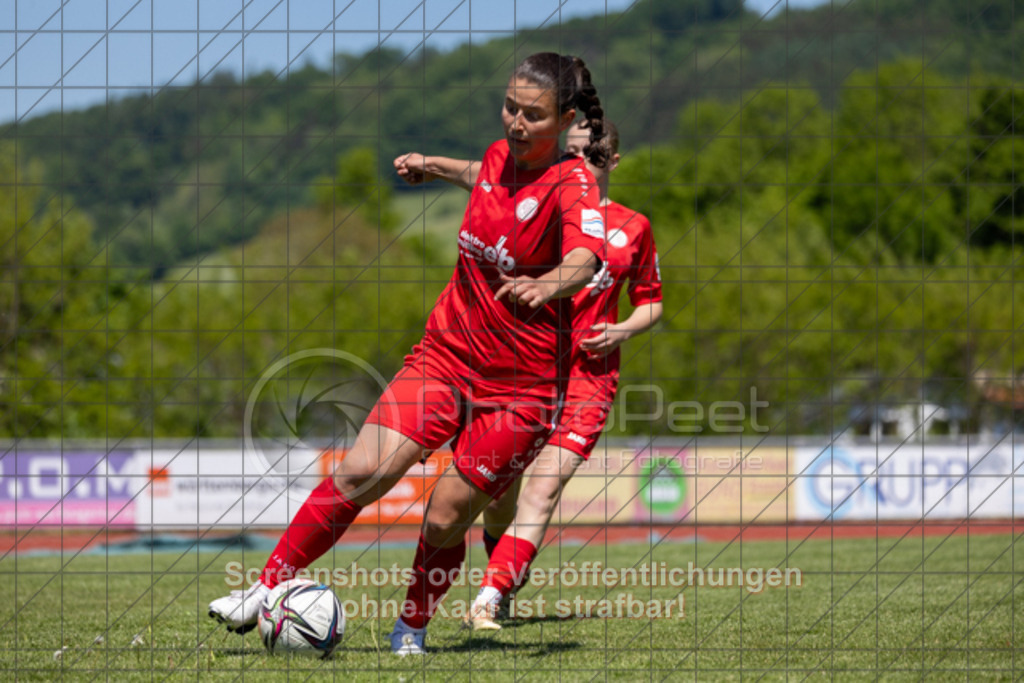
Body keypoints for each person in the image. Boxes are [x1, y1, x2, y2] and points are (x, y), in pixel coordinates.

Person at [208, 52, 610, 657]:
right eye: (509, 107)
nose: (516, 123)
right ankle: (265, 587)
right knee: (360, 471)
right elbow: (485, 175)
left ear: (567, 120)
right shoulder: (501, 156)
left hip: (521, 391)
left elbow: (586, 257)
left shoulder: (573, 184)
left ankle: (411, 628)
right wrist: (432, 165)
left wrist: (548, 283)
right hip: (445, 356)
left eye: (533, 115)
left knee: (446, 513)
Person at [467, 120, 663, 630]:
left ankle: (489, 595)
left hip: (589, 379)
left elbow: (651, 302)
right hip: (524, 369)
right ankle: (506, 566)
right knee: (499, 493)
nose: (578, 164)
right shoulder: (541, 212)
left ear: (612, 161)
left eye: (590, 155)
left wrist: (621, 331)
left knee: (544, 489)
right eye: (569, 153)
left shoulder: (634, 226)